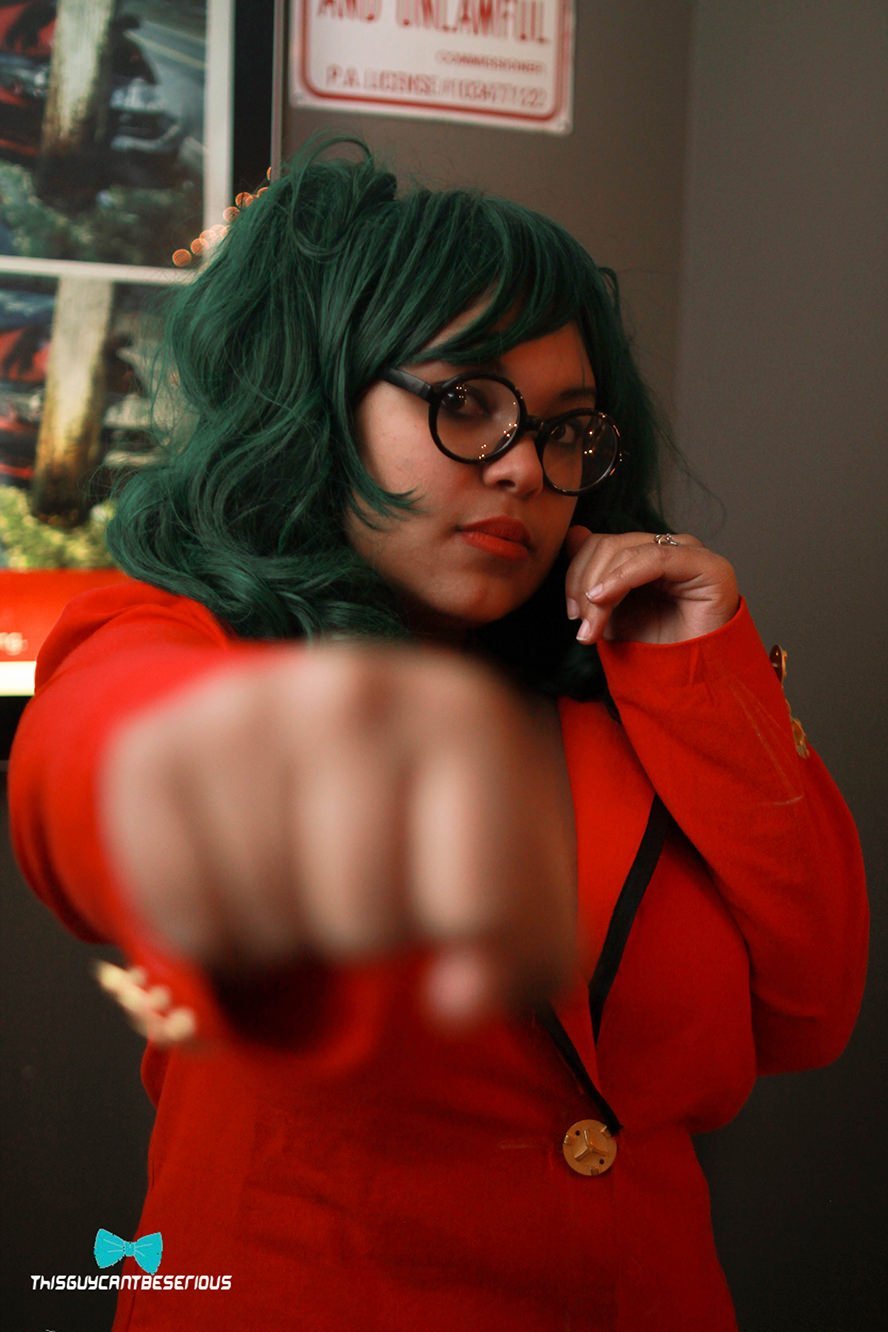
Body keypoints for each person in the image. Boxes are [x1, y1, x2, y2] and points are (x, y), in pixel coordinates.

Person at [8, 138, 868, 1331]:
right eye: (465, 402)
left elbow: (813, 1007)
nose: (524, 469)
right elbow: (100, 762)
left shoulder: (633, 684)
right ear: (326, 404)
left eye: (568, 430)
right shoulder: (183, 642)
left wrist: (704, 669)